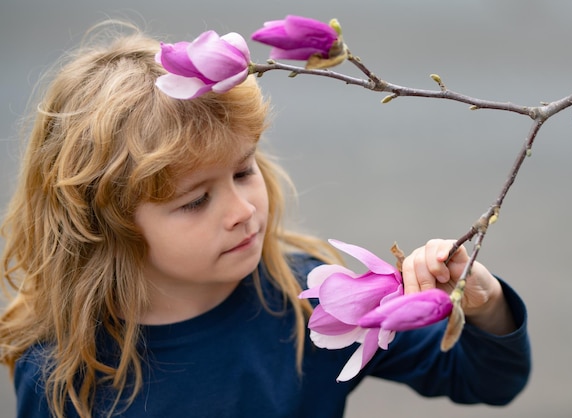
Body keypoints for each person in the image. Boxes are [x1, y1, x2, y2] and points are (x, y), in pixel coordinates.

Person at [0, 21, 530, 418]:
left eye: (244, 170)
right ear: (102, 223)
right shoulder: (64, 371)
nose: (241, 210)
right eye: (194, 201)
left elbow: (487, 379)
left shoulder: (316, 302)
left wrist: (486, 304)